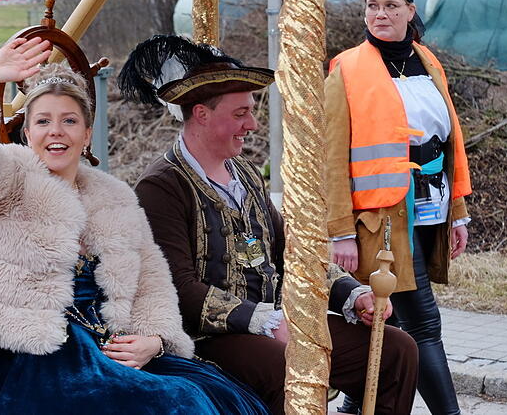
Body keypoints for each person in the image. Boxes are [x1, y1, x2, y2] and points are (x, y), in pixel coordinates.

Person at [0, 37, 270, 414]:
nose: (56, 131)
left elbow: (151, 281)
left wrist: (154, 339)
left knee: (225, 396)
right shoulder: (4, 183)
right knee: (178, 403)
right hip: (32, 352)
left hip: (108, 347)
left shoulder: (115, 197)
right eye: (43, 121)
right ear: (27, 133)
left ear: (86, 134)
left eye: (69, 121)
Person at [120, 35, 419, 414]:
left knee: (396, 348)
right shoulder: (161, 186)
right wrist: (262, 321)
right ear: (201, 114)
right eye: (241, 113)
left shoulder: (245, 173)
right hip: (207, 339)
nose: (254, 124)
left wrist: (351, 294)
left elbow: (290, 254)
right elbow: (178, 288)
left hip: (275, 324)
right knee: (289, 366)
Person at [326, 0, 472, 415]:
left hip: (429, 208)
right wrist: (340, 231)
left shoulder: (428, 61)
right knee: (422, 322)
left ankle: (352, 406)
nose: (380, 14)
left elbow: (449, 142)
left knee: (384, 322)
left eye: (391, 5)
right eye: (372, 5)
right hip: (381, 220)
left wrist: (458, 212)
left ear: (411, 10)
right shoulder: (347, 68)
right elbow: (331, 157)